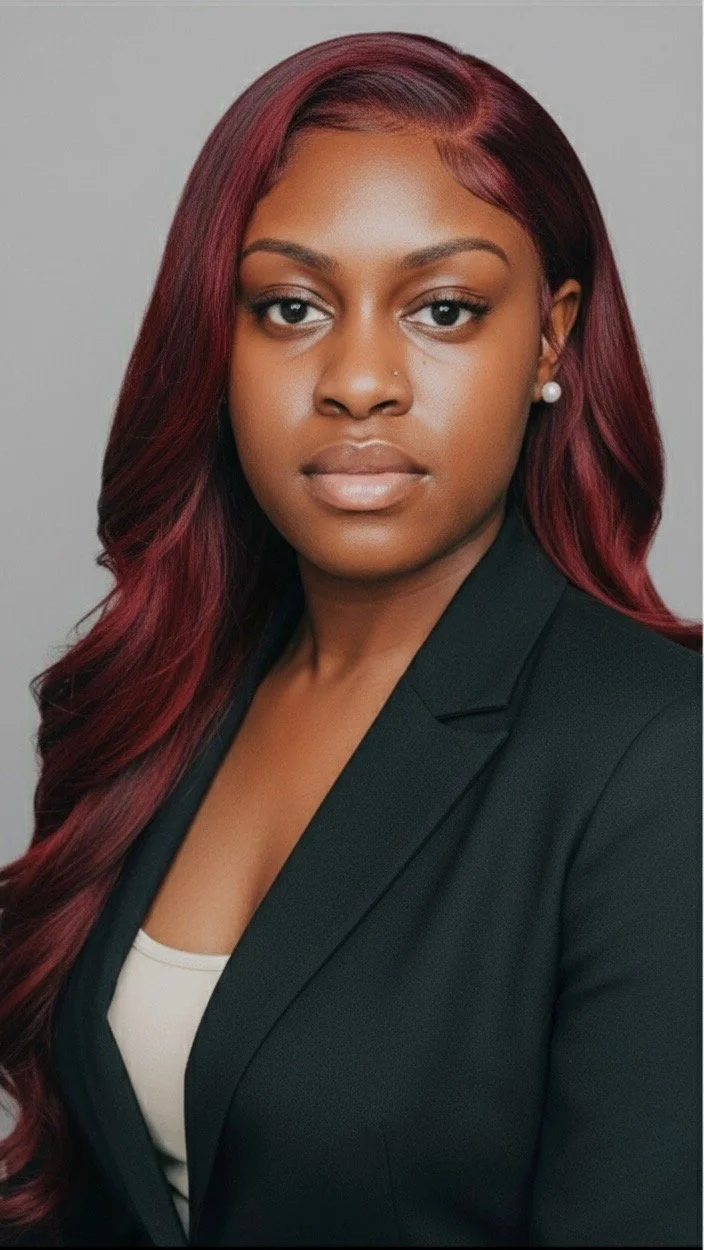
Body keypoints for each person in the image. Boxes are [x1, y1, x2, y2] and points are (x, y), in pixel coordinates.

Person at [0, 29, 701, 1249]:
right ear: (215, 342)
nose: (359, 380)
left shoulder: (654, 757)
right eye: (289, 306)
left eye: (442, 307)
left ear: (547, 339)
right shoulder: (165, 695)